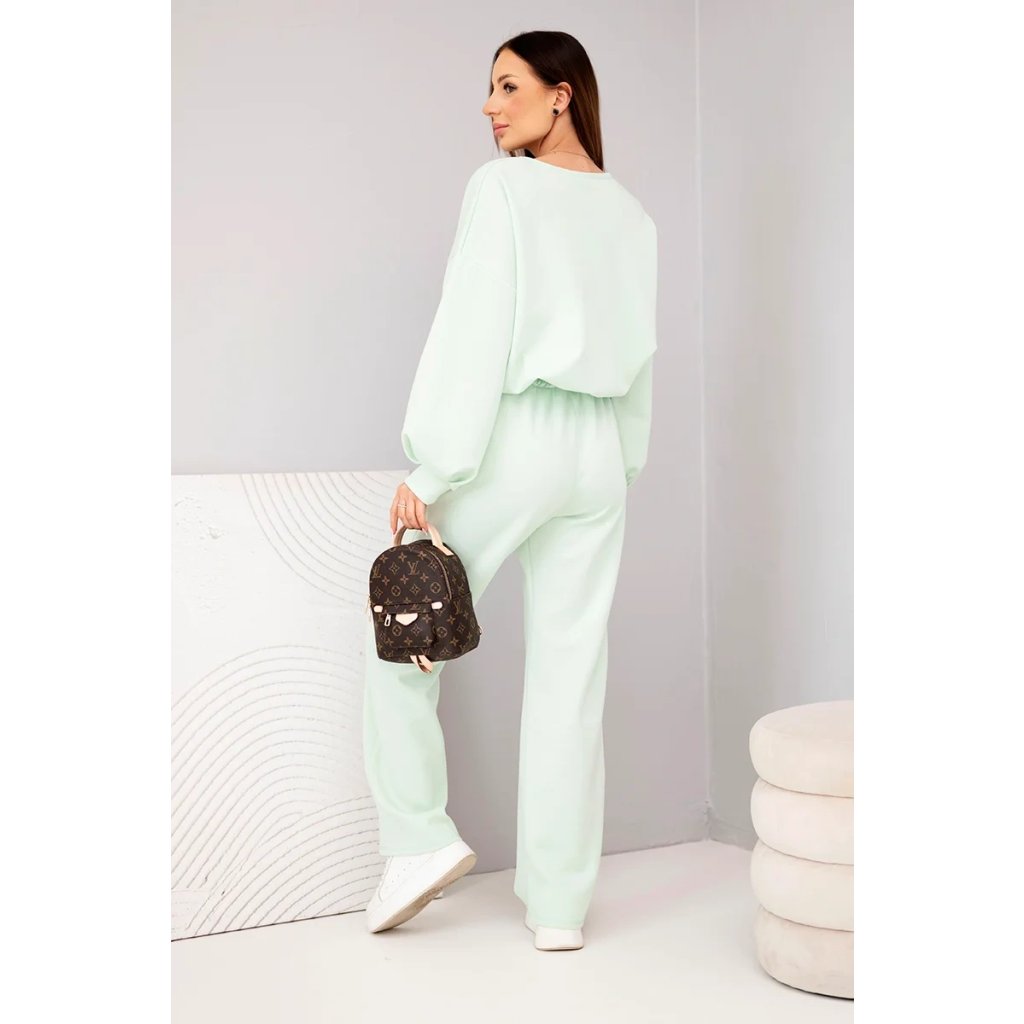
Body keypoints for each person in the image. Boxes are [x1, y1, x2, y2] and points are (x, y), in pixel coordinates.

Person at [362, 30, 657, 951]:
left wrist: (435, 465)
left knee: (405, 629)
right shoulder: (632, 217)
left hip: (516, 436)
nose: (489, 107)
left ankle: (417, 838)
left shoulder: (503, 189)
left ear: (561, 94)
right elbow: (641, 358)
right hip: (599, 453)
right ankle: (560, 908)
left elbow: (473, 326)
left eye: (507, 86)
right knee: (572, 677)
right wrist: (620, 465)